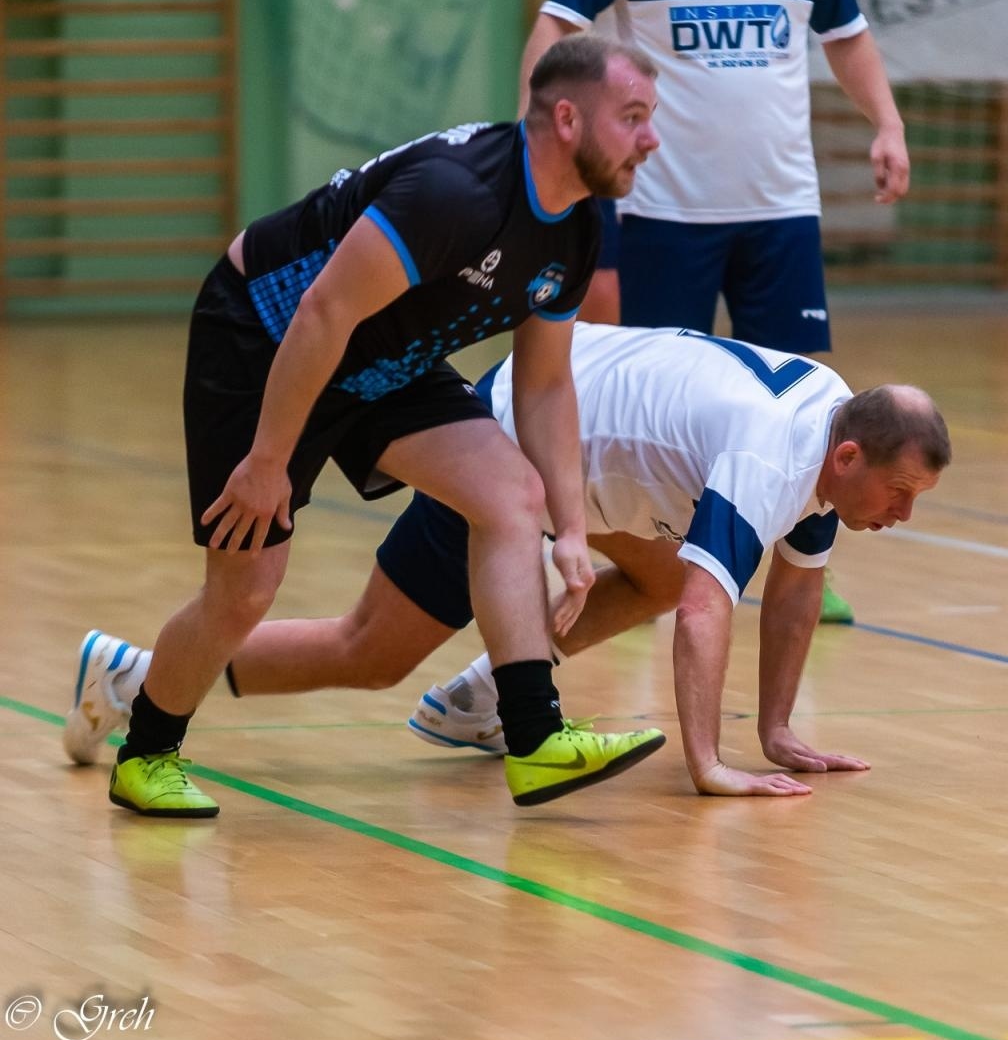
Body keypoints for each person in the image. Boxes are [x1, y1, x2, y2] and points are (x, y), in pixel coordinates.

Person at [65, 37, 668, 817]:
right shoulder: (457, 193)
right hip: (265, 336)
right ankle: (145, 752)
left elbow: (547, 384)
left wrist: (576, 528)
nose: (650, 138)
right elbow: (323, 311)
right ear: (566, 119)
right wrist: (267, 459)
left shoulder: (578, 228)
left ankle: (533, 736)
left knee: (513, 494)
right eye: (632, 118)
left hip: (383, 358)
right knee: (244, 593)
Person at [71, 324, 951, 798]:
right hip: (516, 438)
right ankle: (136, 679)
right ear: (848, 461)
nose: (903, 515)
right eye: (900, 493)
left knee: (651, 574)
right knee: (370, 649)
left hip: (604, 465)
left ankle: (486, 696)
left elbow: (797, 589)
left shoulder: (836, 435)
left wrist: (777, 732)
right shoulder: (775, 457)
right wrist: (712, 766)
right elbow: (704, 610)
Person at [522, 0, 912, 624]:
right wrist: (534, 135)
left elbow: (848, 36)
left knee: (807, 398)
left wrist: (888, 123)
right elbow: (556, 22)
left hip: (781, 208)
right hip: (665, 210)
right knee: (657, 398)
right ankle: (648, 566)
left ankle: (807, 561)